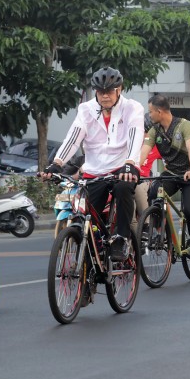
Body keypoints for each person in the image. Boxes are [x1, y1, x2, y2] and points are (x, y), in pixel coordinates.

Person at [41, 66, 144, 261]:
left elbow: (135, 135)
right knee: (89, 222)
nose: (105, 96)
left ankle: (121, 238)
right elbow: (73, 138)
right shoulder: (86, 109)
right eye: (100, 91)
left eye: (109, 91)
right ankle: (88, 276)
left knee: (123, 189)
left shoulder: (132, 108)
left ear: (119, 89)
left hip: (122, 168)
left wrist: (130, 162)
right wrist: (57, 163)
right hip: (94, 171)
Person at [140, 94, 190, 265]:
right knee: (154, 192)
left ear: (159, 111)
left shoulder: (184, 125)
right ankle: (162, 232)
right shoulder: (154, 130)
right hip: (171, 174)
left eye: (150, 112)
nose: (149, 116)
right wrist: (134, 168)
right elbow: (144, 150)